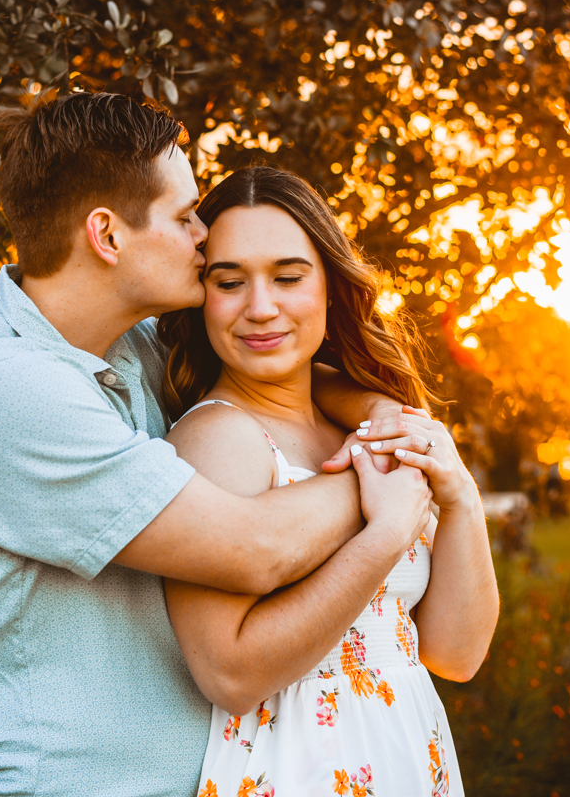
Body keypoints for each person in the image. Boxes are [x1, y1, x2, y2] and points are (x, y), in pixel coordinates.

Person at [0, 92, 425, 797]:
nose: (205, 236)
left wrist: (385, 413)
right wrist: (385, 486)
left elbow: (281, 368)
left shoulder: (128, 348)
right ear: (107, 236)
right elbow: (253, 550)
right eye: (184, 218)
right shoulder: (5, 390)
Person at [157, 167, 500, 797]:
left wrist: (460, 499)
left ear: (331, 288)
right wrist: (388, 532)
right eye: (229, 282)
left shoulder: (361, 423)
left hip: (406, 752)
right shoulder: (218, 440)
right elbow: (228, 673)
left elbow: (456, 654)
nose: (261, 308)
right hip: (300, 769)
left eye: (288, 277)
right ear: (201, 296)